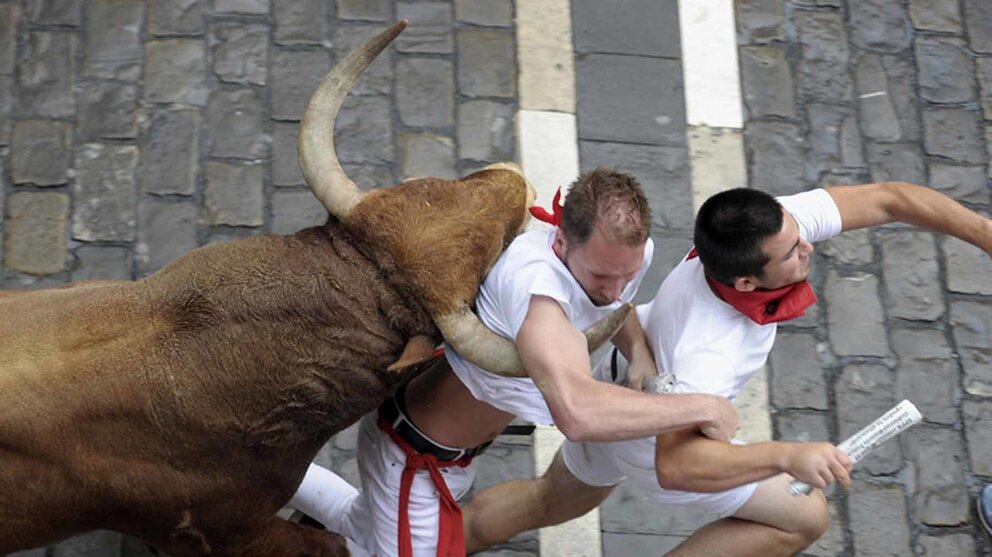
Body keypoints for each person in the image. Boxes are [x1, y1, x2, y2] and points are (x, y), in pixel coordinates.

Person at [462, 181, 992, 557]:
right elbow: (679, 467)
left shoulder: (758, 231)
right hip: (652, 438)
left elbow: (890, 199)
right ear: (745, 284)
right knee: (804, 518)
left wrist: (987, 235)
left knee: (549, 500)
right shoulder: (708, 352)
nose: (807, 244)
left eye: (797, 235)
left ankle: (441, 541)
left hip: (622, 378)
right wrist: (789, 455)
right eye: (792, 252)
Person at [288, 168, 739, 557]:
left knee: (359, 521)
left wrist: (638, 354)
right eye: (602, 276)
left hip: (449, 454)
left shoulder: (617, 260)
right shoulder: (536, 294)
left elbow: (618, 305)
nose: (616, 288)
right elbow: (579, 414)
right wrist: (704, 407)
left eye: (629, 272)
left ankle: (263, 471)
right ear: (560, 239)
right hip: (412, 461)